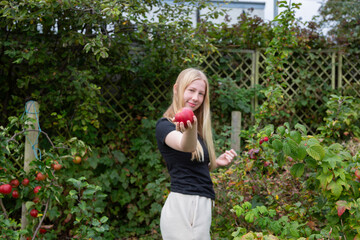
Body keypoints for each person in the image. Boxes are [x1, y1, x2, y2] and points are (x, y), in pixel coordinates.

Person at [155, 68, 237, 240]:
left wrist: (214, 163)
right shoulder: (165, 126)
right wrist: (190, 127)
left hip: (200, 204)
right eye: (191, 90)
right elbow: (185, 146)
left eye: (201, 93)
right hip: (185, 205)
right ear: (177, 89)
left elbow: (189, 165)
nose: (195, 98)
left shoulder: (198, 131)